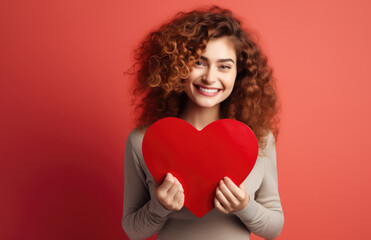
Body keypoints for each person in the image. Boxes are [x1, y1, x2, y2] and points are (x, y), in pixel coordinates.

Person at [122, 6, 284, 240]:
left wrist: (245, 207)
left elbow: (274, 228)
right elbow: (132, 230)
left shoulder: (259, 139)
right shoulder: (142, 141)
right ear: (177, 67)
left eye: (224, 66)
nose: (210, 77)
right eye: (199, 62)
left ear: (240, 74)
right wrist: (160, 207)